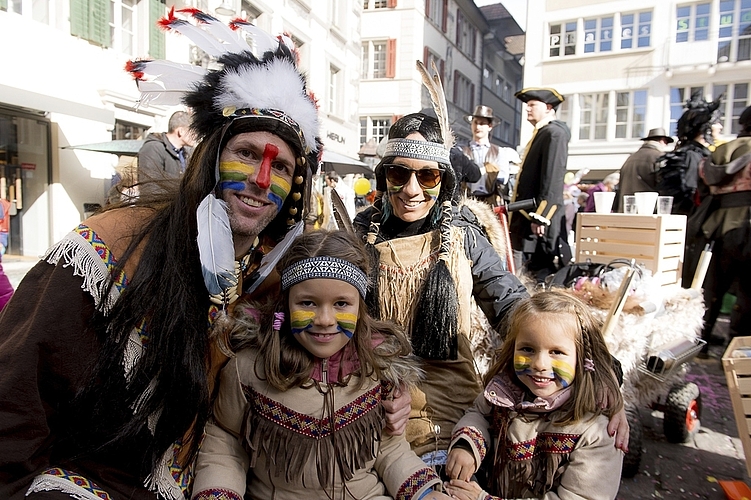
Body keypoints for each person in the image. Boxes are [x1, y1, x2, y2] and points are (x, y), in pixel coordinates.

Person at [0, 11, 360, 500]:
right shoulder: (115, 242)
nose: (260, 180)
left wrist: (387, 389)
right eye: (248, 153)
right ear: (210, 160)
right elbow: (19, 385)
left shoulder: (276, 280)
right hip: (86, 478)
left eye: (280, 168)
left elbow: (329, 340)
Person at [353, 106, 628, 474]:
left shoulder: (463, 235)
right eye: (399, 174)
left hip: (447, 406)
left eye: (428, 176)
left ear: (445, 181)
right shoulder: (360, 234)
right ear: (384, 175)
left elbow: (514, 307)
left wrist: (599, 367)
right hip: (373, 396)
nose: (412, 190)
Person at [191, 230, 450, 500]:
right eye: (307, 303)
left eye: (341, 304)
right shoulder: (249, 369)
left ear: (360, 308)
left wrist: (426, 493)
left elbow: (390, 450)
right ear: (286, 305)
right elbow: (227, 441)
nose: (325, 319)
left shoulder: (377, 369)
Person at [444, 290, 624, 500]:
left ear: (583, 358)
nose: (539, 364)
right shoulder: (503, 394)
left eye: (556, 352)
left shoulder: (597, 431)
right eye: (527, 349)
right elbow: (479, 414)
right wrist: (467, 446)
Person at [684, 105, 751, 356]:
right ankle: (738, 349)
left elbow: (701, 189)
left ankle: (701, 342)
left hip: (715, 226)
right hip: (747, 226)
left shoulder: (722, 150)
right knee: (747, 292)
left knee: (712, 288)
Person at [509, 88, 570, 282]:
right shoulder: (543, 132)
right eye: (527, 105)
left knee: (538, 273)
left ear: (548, 107)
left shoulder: (554, 133)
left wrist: (542, 216)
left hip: (536, 218)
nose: (528, 109)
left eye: (533, 105)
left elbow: (552, 178)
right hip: (527, 216)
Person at [655, 92, 721, 216]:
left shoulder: (693, 153)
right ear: (705, 127)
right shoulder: (691, 155)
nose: (719, 126)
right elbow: (690, 194)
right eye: (716, 122)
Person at [462, 105, 520, 206]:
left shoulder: (499, 152)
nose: (478, 127)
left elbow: (504, 177)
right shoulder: (462, 150)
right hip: (467, 201)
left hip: (491, 201)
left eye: (482, 123)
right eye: (475, 122)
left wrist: (490, 171)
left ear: (489, 126)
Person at [617, 127, 674, 210]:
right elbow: (664, 188)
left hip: (626, 210)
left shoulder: (630, 158)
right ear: (663, 140)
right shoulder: (660, 157)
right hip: (648, 212)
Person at [137, 110, 196, 186]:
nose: (196, 136)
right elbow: (149, 186)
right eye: (193, 132)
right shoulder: (153, 148)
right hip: (162, 198)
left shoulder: (186, 153)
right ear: (181, 131)